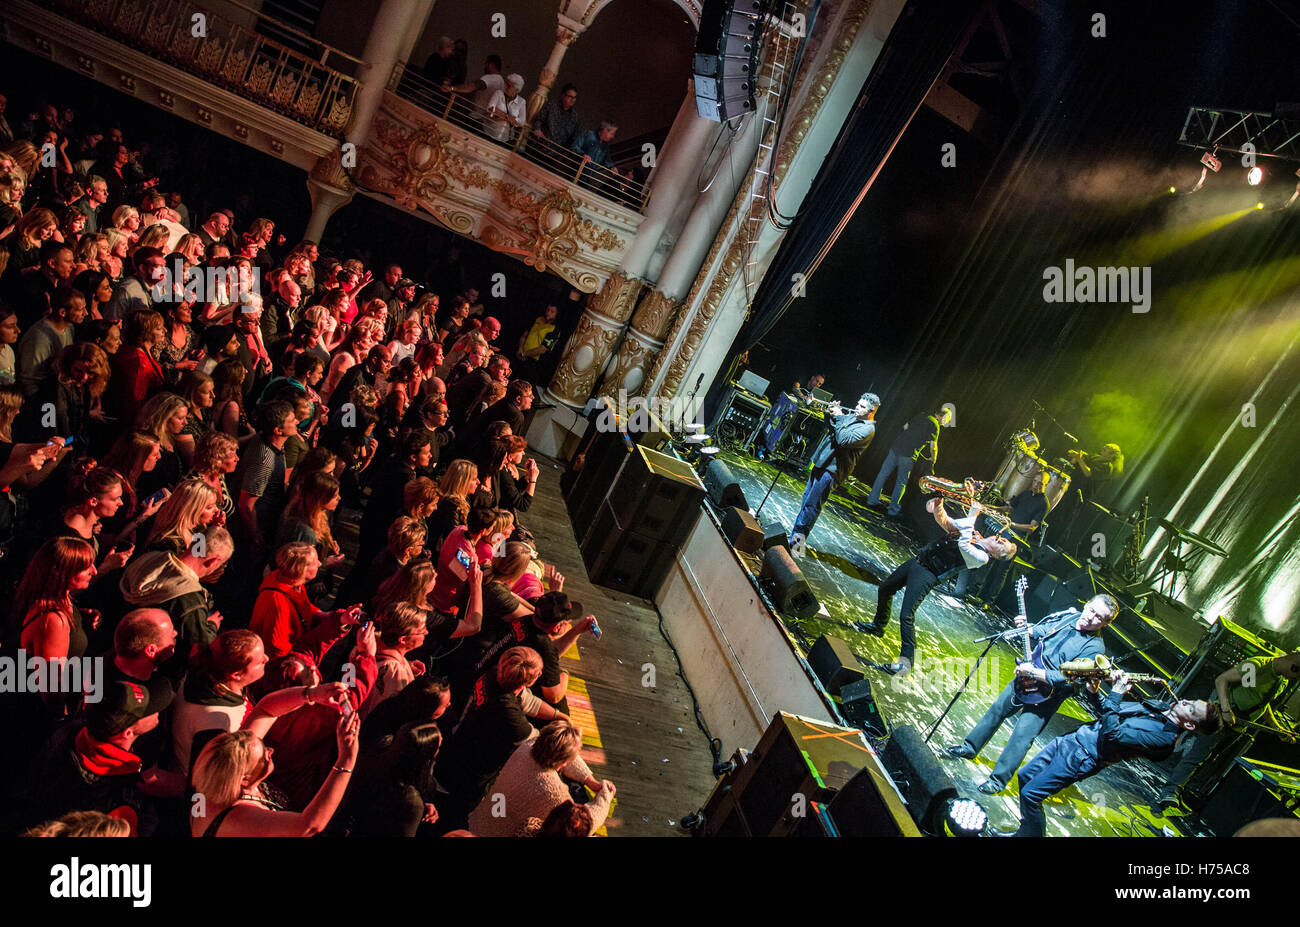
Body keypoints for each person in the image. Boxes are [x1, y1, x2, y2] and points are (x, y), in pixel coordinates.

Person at [996, 676, 1219, 837]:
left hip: (1082, 756)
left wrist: (1116, 693)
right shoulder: (1157, 707)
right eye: (1191, 700)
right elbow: (1108, 712)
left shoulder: (1163, 739)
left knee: (1031, 795)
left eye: (1191, 709)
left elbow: (1113, 734)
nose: (1186, 702)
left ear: (1189, 724)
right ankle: (1025, 832)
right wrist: (1095, 692)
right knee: (1025, 776)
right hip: (1071, 739)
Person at [943, 594, 1118, 794]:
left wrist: (1035, 673)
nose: (1091, 616)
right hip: (1027, 676)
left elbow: (1069, 676)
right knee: (996, 711)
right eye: (1091, 609)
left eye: (1099, 617)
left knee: (1021, 737)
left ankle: (997, 781)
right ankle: (970, 747)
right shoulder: (1069, 616)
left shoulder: (1094, 648)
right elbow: (1046, 631)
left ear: (1106, 623)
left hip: (1048, 694)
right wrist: (1030, 628)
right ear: (1086, 604)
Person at [862, 494, 1017, 675]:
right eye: (1003, 539)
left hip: (928, 574)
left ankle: (905, 664)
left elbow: (963, 545)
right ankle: (878, 625)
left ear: (998, 555)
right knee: (885, 588)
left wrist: (973, 516)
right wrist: (938, 504)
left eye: (1003, 544)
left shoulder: (982, 557)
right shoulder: (975, 534)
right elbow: (946, 522)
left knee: (906, 615)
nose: (1001, 539)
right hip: (918, 560)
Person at [1157, 650, 1300, 811]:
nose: (1293, 679)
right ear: (1294, 666)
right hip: (1222, 717)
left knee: (1212, 760)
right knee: (1198, 756)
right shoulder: (1258, 666)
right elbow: (1222, 680)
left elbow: (1262, 703)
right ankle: (1170, 791)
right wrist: (1226, 710)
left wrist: (1278, 729)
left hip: (1239, 725)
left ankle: (1185, 791)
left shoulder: (1281, 681)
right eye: (1296, 675)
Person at [189, 713, 360, 836]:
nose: (270, 750)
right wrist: (347, 759)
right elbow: (309, 826)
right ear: (244, 778)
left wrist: (311, 693)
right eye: (264, 755)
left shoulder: (216, 780)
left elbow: (266, 710)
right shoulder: (240, 817)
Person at [468, 718, 613, 837]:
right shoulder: (554, 793)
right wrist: (605, 795)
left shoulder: (528, 747)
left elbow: (562, 752)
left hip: (477, 823)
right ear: (563, 763)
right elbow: (582, 823)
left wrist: (588, 779)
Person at [119, 525, 232, 669]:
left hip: (118, 649)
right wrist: (210, 627)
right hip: (152, 670)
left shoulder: (149, 559)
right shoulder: (189, 599)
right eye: (221, 564)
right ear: (212, 561)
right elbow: (199, 646)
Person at [789, 392, 880, 548]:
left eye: (862, 407)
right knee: (806, 501)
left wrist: (838, 416)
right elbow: (833, 427)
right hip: (822, 462)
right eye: (858, 404)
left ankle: (796, 545)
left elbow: (843, 439)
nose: (857, 408)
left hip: (832, 469)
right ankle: (794, 538)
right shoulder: (854, 417)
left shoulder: (868, 429)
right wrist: (829, 413)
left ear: (871, 412)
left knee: (811, 507)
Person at [867, 404, 953, 517]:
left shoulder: (922, 415)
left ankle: (871, 501)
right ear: (942, 416)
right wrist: (933, 458)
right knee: (901, 482)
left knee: (883, 474)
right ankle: (893, 510)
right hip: (908, 454)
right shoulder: (935, 425)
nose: (946, 422)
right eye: (947, 419)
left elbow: (905, 427)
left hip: (896, 447)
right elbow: (933, 446)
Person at [532, 85, 581, 150]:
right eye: (570, 97)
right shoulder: (551, 106)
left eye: (574, 97)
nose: (572, 100)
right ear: (563, 96)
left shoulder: (575, 117)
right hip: (540, 146)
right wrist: (537, 129)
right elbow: (538, 120)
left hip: (556, 154)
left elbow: (573, 138)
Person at [483, 74, 527, 143]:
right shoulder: (498, 93)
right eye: (506, 84)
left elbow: (522, 122)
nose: (506, 87)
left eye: (509, 86)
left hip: (506, 139)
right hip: (489, 132)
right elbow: (490, 109)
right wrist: (509, 118)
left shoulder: (522, 102)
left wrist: (499, 114)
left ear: (517, 90)